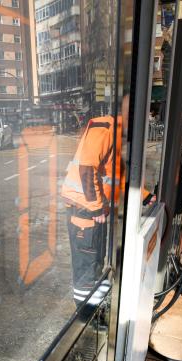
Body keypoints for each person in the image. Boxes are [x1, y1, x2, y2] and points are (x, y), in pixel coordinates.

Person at [61, 114, 123, 309]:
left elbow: (118, 175)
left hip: (94, 209)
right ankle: (85, 314)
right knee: (86, 265)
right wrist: (96, 206)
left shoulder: (117, 131)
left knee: (95, 260)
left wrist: (145, 196)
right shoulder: (105, 128)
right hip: (86, 209)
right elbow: (87, 168)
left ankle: (96, 305)